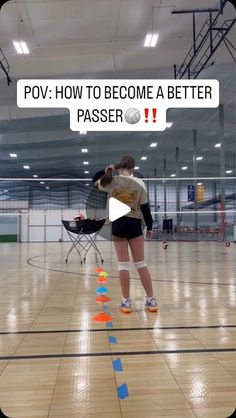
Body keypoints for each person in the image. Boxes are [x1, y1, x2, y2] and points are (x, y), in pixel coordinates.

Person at [93, 155, 158, 313]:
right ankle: (151, 301)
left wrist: (108, 170)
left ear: (119, 167)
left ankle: (126, 302)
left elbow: (94, 181)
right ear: (133, 169)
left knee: (123, 265)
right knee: (141, 264)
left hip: (118, 226)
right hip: (135, 226)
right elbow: (145, 209)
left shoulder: (112, 181)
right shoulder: (140, 184)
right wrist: (149, 227)